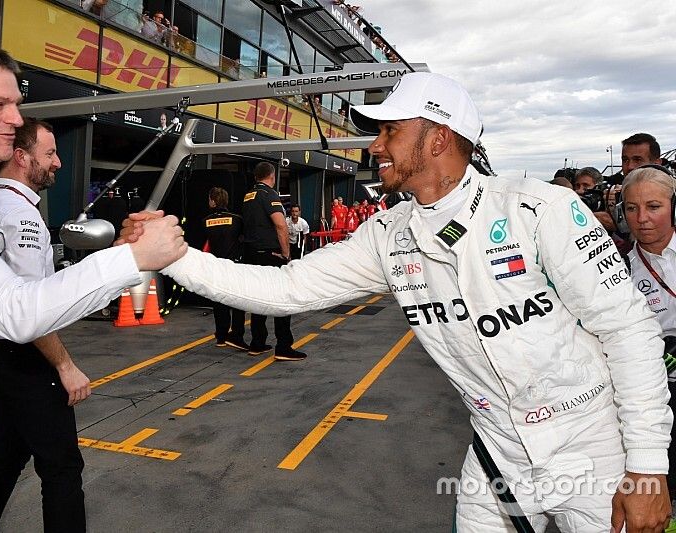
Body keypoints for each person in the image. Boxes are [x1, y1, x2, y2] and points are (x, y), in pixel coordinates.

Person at [121, 72, 671, 532]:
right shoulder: (388, 234)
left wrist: (648, 468)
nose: (374, 146)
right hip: (497, 451)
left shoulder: (539, 210)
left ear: (437, 138)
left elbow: (630, 330)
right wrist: (173, 258)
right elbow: (283, 289)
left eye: (389, 131)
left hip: (592, 443)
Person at [0, 40, 186, 532]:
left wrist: (116, 258)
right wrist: (132, 259)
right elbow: (15, 310)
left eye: (15, 104)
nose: (14, 119)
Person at [0, 117, 88, 531]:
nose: (59, 163)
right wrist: (64, 365)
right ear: (21, 157)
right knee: (62, 468)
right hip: (26, 355)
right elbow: (28, 309)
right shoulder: (21, 217)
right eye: (50, 154)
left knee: (8, 453)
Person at [621, 165, 676, 531]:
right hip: (660, 399)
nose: (642, 219)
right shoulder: (619, 272)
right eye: (631, 208)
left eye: (653, 206)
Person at [240, 162, 306, 361]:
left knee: (259, 298)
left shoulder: (248, 196)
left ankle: (257, 343)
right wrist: (286, 254)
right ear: (272, 176)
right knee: (281, 299)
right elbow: (280, 225)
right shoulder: (269, 194)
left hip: (251, 254)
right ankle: (284, 346)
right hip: (270, 255)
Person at [203, 187, 249, 351]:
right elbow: (244, 239)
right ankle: (237, 335)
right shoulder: (237, 219)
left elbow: (205, 245)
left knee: (219, 302)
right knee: (237, 302)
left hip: (216, 266)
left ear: (213, 201)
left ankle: (221, 337)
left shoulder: (207, 220)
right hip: (234, 265)